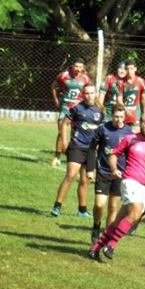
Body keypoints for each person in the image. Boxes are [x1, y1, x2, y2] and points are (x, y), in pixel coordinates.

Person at [88, 112, 145, 260]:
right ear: (140, 124)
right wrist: (114, 169)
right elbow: (113, 154)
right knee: (135, 213)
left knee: (119, 220)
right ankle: (111, 245)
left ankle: (95, 248)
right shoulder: (130, 139)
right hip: (130, 181)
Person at [50, 85, 104, 218]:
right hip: (77, 146)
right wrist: (64, 141)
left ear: (95, 94)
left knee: (85, 180)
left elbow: (102, 130)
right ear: (82, 94)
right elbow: (64, 124)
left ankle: (82, 210)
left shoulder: (100, 110)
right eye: (86, 93)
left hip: (91, 150)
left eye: (91, 93)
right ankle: (57, 206)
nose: (89, 95)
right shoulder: (77, 108)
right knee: (70, 176)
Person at [89, 104, 134, 241]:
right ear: (111, 115)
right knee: (99, 204)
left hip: (120, 174)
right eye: (116, 116)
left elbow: (131, 153)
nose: (118, 120)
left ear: (125, 117)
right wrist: (91, 169)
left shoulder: (129, 132)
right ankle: (96, 225)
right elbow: (92, 149)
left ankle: (106, 236)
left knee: (113, 207)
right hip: (103, 171)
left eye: (121, 117)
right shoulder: (103, 129)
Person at [52, 59, 92, 167]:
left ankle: (73, 157)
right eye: (76, 66)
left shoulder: (85, 78)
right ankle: (57, 157)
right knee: (61, 132)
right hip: (65, 107)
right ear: (72, 66)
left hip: (78, 109)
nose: (78, 69)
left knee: (76, 134)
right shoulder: (64, 75)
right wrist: (56, 99)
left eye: (80, 67)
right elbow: (54, 86)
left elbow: (89, 91)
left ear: (83, 68)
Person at [122, 60, 145, 127]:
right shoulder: (121, 82)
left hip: (136, 114)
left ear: (135, 69)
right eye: (127, 69)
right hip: (124, 113)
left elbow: (143, 97)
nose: (129, 71)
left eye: (131, 68)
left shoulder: (140, 81)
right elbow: (119, 99)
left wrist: (143, 112)